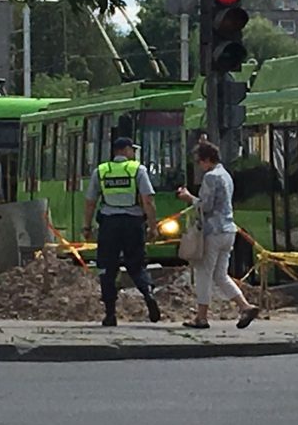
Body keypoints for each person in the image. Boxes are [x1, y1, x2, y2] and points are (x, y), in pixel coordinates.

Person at [176, 141, 260, 330]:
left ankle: (201, 317)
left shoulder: (211, 177)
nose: (199, 166)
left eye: (199, 162)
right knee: (220, 274)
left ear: (207, 160)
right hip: (229, 230)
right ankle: (245, 306)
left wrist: (189, 197)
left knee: (204, 274)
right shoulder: (226, 175)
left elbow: (206, 206)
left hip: (212, 232)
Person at [83, 137, 161, 327]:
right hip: (133, 224)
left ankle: (110, 314)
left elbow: (90, 202)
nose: (133, 153)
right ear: (125, 150)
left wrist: (86, 227)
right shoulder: (138, 170)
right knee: (136, 264)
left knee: (107, 269)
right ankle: (148, 294)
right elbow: (148, 201)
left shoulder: (101, 171)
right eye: (132, 149)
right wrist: (153, 226)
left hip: (109, 225)